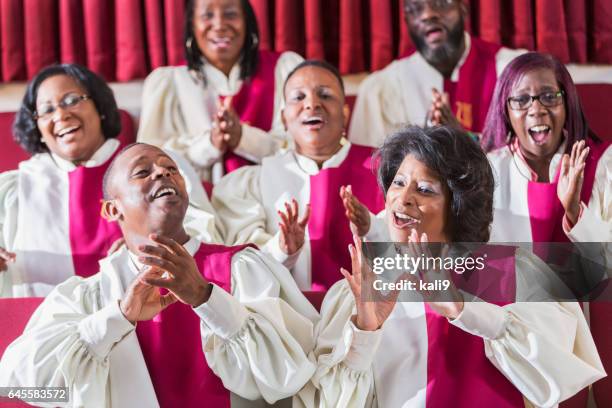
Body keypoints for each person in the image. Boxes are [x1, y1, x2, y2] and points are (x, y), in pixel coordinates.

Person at [295, 126, 605, 407]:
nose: (402, 199)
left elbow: (557, 370)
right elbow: (330, 400)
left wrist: (464, 310)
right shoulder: (360, 289)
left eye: (425, 189)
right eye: (399, 182)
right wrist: (364, 333)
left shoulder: (512, 270)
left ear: (458, 205)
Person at [0, 143, 319, 407]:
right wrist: (114, 320)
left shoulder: (243, 267)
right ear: (112, 209)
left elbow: (292, 378)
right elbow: (19, 386)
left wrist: (207, 298)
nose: (162, 172)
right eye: (143, 172)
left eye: (171, 169)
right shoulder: (89, 296)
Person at [0, 63, 219, 298]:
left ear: (100, 106)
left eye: (72, 100)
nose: (61, 115)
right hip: (49, 326)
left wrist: (149, 249)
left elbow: (204, 235)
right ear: (38, 127)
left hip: (150, 315)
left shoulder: (157, 166)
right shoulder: (12, 191)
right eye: (46, 110)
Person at [212, 60, 385, 291]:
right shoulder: (254, 183)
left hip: (376, 318)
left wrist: (373, 229)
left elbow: (419, 260)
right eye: (298, 97)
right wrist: (283, 250)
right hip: (289, 323)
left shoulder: (387, 171)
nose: (312, 104)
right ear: (284, 119)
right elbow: (240, 276)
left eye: (325, 95)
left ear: (345, 113)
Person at [138, 0, 303, 182]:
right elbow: (151, 165)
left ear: (247, 22)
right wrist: (209, 144)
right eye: (207, 15)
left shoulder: (285, 70)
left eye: (230, 14)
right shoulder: (171, 83)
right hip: (199, 205)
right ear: (192, 25)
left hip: (280, 199)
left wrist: (244, 138)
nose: (219, 25)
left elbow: (306, 147)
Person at [349, 0, 524, 146]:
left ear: (463, 8)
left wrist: (463, 139)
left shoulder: (514, 71)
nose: (427, 14)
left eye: (440, 2)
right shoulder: (382, 88)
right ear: (406, 21)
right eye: (415, 8)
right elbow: (372, 174)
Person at [482, 52, 611, 246]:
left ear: (567, 103)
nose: (536, 109)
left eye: (549, 96)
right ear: (505, 111)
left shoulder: (605, 163)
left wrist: (575, 213)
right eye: (521, 100)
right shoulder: (487, 171)